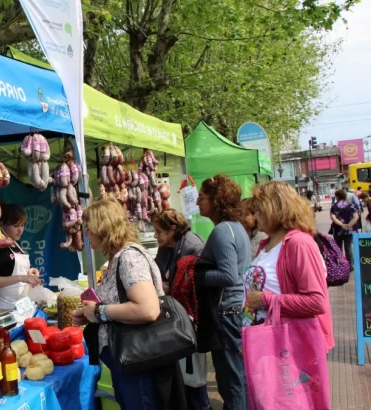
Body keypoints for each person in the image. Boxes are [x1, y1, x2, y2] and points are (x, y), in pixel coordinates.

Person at [73, 198, 186, 410]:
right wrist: (90, 314)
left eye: (88, 229)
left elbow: (148, 309)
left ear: (101, 227)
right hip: (132, 359)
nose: (86, 235)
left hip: (139, 360)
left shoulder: (129, 259)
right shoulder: (119, 258)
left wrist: (99, 311)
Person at [243, 181, 333, 408]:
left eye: (258, 208)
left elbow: (316, 301)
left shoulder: (299, 243)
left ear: (275, 206)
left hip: (287, 345)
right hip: (265, 343)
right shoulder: (266, 243)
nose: (254, 215)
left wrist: (265, 300)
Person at [195, 174, 251, 410]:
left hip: (227, 314)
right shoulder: (236, 228)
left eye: (202, 197)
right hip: (236, 310)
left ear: (216, 201)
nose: (198, 202)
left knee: (231, 380)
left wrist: (197, 276)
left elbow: (229, 276)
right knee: (236, 376)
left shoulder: (222, 231)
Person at [152, 209, 209, 410]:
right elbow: (159, 275)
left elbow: (197, 284)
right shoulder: (166, 246)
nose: (155, 236)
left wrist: (171, 286)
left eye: (159, 231)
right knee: (182, 374)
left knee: (193, 376)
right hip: (174, 317)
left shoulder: (193, 246)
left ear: (173, 229)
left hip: (190, 318)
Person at [0, 204, 41, 309]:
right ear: (1, 224)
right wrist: (21, 278)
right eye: (15, 226)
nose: (20, 230)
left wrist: (29, 272)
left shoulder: (18, 245)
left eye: (22, 225)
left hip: (23, 307)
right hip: (3, 309)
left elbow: (13, 271)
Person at [330, 189, 359, 264]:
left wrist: (342, 225)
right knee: (348, 247)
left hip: (338, 230)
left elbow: (333, 217)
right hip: (350, 230)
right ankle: (350, 265)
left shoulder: (334, 206)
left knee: (338, 248)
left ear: (338, 196)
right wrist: (349, 225)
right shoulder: (351, 205)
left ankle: (341, 265)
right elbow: (356, 217)